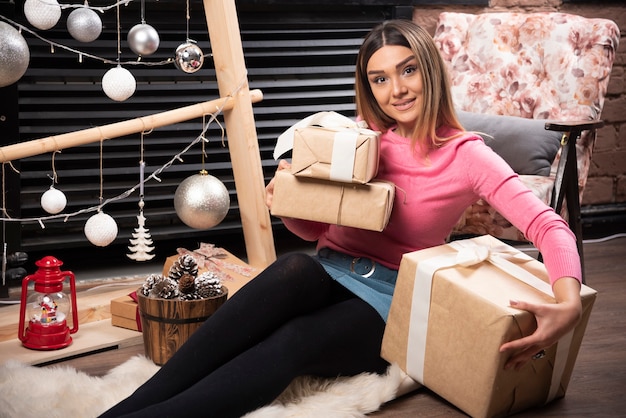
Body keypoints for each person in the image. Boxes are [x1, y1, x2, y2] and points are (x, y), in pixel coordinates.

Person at [99, 19, 582, 418]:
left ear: (429, 71)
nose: (397, 89)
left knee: (292, 340)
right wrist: (293, 198)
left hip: (389, 302)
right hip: (327, 272)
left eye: (408, 70)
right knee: (295, 267)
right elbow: (314, 232)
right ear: (367, 86)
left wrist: (568, 303)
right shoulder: (357, 139)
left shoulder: (466, 155)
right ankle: (128, 408)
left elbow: (547, 225)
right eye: (379, 78)